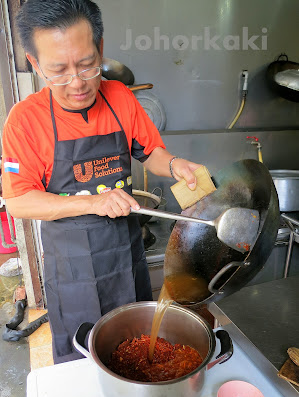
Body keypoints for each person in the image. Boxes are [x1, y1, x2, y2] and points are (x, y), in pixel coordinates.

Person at [1, 0, 200, 363]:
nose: (77, 83)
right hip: (72, 267)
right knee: (84, 357)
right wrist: (93, 201)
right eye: (58, 71)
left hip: (126, 252)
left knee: (139, 349)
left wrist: (174, 165)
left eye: (87, 64)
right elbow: (19, 201)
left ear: (101, 48)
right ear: (35, 63)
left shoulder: (120, 98)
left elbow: (150, 151)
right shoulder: (24, 121)